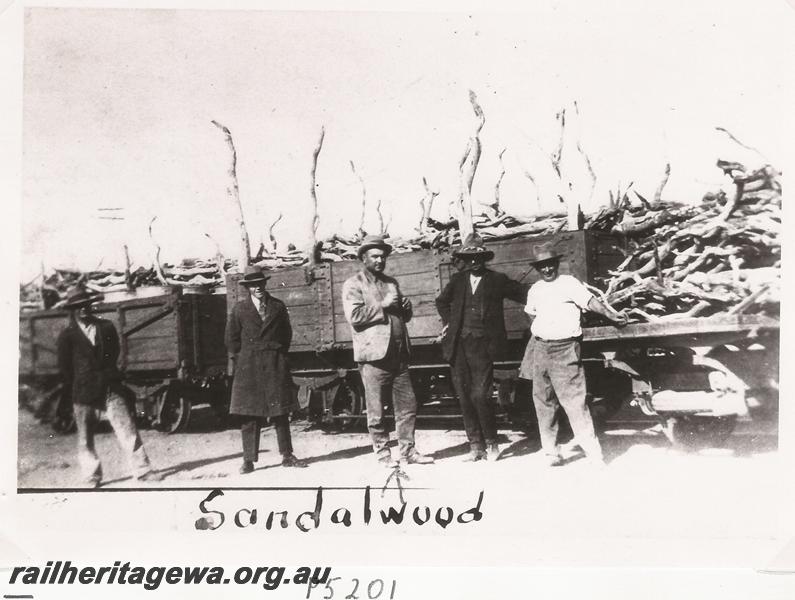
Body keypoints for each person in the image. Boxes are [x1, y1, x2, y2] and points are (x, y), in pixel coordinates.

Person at [518, 243, 628, 467]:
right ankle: (551, 452)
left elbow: (590, 302)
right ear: (537, 268)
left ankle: (594, 454)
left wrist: (611, 315)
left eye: (550, 265)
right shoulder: (535, 289)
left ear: (556, 264)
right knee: (543, 403)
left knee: (575, 403)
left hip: (565, 348)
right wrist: (543, 333)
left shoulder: (569, 283)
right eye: (542, 267)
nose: (547, 270)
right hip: (540, 349)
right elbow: (531, 315)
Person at [342, 235, 434, 467]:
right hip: (374, 358)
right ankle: (383, 455)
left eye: (383, 256)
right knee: (376, 411)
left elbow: (401, 316)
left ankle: (408, 452)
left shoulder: (391, 283)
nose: (380, 260)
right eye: (374, 256)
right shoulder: (354, 284)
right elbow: (354, 317)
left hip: (398, 355)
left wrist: (405, 308)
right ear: (364, 258)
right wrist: (383, 305)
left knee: (408, 407)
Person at [435, 233, 529, 462]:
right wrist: (449, 323)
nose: (474, 261)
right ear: (465, 259)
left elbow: (524, 293)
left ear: (484, 258)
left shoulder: (496, 280)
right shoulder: (458, 281)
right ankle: (475, 447)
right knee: (464, 396)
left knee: (480, 395)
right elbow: (441, 302)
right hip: (458, 346)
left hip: (483, 346)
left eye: (478, 257)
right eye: (469, 257)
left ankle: (492, 443)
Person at [56, 287, 159, 487]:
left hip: (110, 388)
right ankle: (92, 476)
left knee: (127, 429)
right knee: (85, 438)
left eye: (86, 305)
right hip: (83, 392)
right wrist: (79, 383)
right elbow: (65, 368)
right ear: (72, 310)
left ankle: (143, 470)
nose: (84, 309)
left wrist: (108, 375)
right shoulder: (67, 336)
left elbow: (114, 352)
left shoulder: (106, 327)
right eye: (78, 307)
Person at [226, 265, 307, 474]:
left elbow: (286, 335)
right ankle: (248, 460)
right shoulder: (239, 310)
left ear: (265, 284)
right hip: (249, 367)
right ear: (248, 288)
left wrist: (277, 355)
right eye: (253, 285)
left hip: (274, 364)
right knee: (249, 414)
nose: (258, 288)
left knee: (281, 411)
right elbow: (231, 340)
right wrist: (244, 358)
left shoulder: (278, 307)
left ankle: (287, 455)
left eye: (260, 283)